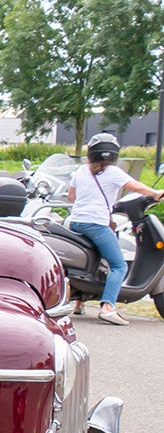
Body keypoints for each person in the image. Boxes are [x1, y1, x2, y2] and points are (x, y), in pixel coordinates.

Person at [66, 132, 164, 325]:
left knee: (94, 257)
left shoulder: (81, 171)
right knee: (118, 265)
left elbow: (71, 196)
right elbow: (135, 186)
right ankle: (108, 307)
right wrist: (155, 193)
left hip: (76, 221)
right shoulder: (113, 172)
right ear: (114, 155)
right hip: (96, 223)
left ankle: (79, 303)